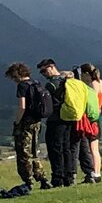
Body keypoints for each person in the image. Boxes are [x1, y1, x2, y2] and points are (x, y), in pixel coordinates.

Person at [5, 62, 49, 189]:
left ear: (16, 75)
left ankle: (28, 180)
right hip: (37, 121)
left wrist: (17, 122)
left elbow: (22, 106)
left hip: (26, 122)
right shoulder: (36, 83)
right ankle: (42, 178)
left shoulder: (22, 86)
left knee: (23, 152)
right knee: (34, 151)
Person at [39, 58, 79, 188]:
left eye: (44, 71)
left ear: (51, 67)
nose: (44, 74)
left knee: (55, 148)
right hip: (69, 117)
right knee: (66, 147)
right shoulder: (67, 80)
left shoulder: (51, 85)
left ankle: (57, 177)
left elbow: (47, 103)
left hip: (56, 119)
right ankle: (69, 176)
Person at [77, 64, 102, 183]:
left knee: (92, 148)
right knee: (95, 148)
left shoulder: (92, 85)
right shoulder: (101, 83)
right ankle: (97, 173)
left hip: (92, 118)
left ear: (86, 74)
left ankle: (93, 172)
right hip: (98, 116)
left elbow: (91, 102)